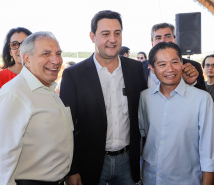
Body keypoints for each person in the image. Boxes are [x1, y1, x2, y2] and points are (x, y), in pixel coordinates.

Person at [60, 10, 147, 185]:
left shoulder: (136, 69)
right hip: (89, 164)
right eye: (105, 34)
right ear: (92, 36)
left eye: (117, 33)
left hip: (128, 163)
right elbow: (65, 127)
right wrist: (72, 169)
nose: (112, 39)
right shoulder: (73, 75)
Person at [0, 31, 74, 185]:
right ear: (26, 58)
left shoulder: (46, 88)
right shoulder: (14, 94)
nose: (56, 60)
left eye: (58, 53)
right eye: (46, 54)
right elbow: (0, 166)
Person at [139, 42, 214, 185]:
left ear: (182, 64)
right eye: (162, 64)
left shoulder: (202, 99)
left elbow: (209, 153)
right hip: (150, 179)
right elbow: (142, 137)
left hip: (187, 180)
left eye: (174, 62)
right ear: (152, 68)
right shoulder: (145, 98)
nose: (170, 69)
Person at [0, 27, 32, 132]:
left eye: (25, 43)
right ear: (10, 51)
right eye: (14, 45)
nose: (20, 49)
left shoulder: (43, 78)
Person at [142, 23, 206, 90]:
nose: (163, 40)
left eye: (167, 36)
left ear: (175, 40)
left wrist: (191, 83)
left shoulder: (194, 66)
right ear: (152, 43)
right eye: (158, 38)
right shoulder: (139, 68)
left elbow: (202, 97)